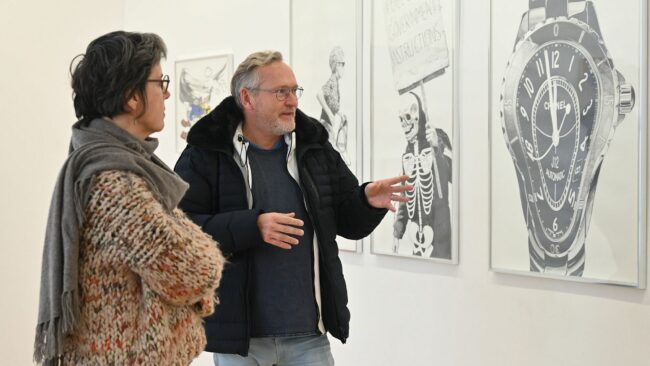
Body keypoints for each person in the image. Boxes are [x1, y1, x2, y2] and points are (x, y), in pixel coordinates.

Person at [174, 50, 411, 366]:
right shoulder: (206, 153)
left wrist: (367, 199)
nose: (293, 101)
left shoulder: (315, 148)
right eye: (280, 92)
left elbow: (346, 222)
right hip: (241, 343)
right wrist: (252, 226)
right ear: (247, 97)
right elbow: (181, 231)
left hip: (308, 338)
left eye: (294, 90)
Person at [33, 31, 225, 366]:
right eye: (159, 82)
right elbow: (195, 271)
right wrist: (203, 270)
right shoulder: (116, 183)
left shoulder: (114, 166)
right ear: (131, 98)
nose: (167, 93)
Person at [393, 92, 452, 259]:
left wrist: (437, 146)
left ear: (418, 115)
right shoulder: (407, 152)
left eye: (408, 117)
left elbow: (454, 175)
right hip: (417, 237)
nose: (404, 124)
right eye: (400, 119)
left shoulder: (437, 137)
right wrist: (398, 231)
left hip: (440, 236)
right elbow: (405, 195)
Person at [316, 46, 349, 165]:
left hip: (329, 125)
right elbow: (319, 94)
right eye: (343, 64)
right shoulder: (332, 82)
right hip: (326, 124)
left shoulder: (336, 83)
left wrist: (339, 112)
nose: (344, 68)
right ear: (337, 65)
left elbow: (333, 102)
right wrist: (330, 113)